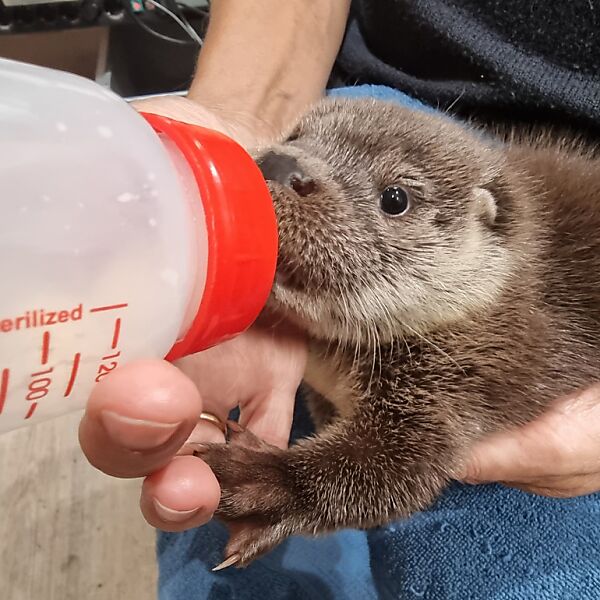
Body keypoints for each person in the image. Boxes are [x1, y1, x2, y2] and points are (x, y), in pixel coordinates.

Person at [78, 1, 600, 597]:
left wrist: (285, 486)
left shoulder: (478, 335)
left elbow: (397, 463)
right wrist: (226, 125)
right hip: (371, 95)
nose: (285, 173)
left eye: (396, 203)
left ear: (483, 235)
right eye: (291, 149)